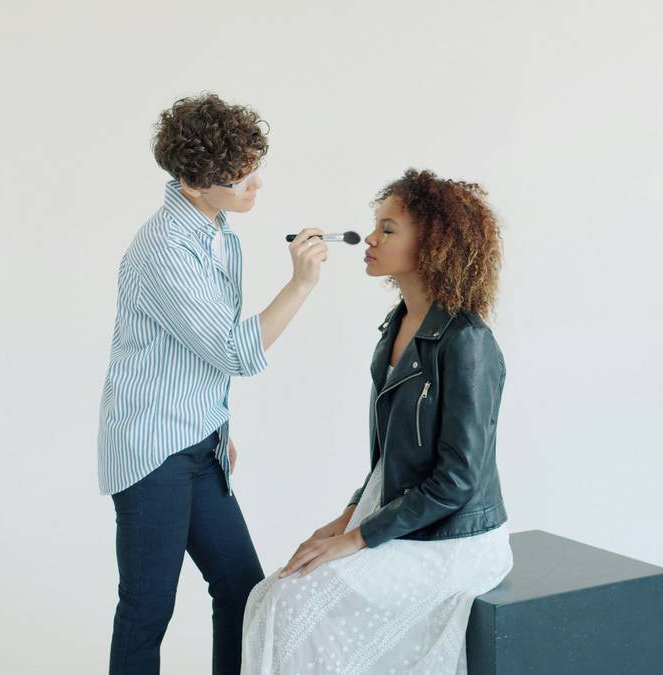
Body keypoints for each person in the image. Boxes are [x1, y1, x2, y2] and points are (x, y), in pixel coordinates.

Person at [241, 169, 512, 674]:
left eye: (388, 229)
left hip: (455, 542)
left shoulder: (467, 342)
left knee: (297, 604)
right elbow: (390, 460)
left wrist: (356, 538)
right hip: (404, 523)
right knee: (274, 594)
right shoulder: (396, 327)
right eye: (375, 226)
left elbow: (457, 480)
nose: (370, 239)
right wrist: (344, 518)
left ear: (432, 244)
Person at [98, 92, 330, 675]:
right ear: (194, 182)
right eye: (240, 175)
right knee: (147, 609)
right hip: (153, 449)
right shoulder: (165, 249)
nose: (256, 183)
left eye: (255, 166)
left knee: (243, 591)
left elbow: (200, 353)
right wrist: (300, 285)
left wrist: (217, 426)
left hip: (198, 441)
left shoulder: (213, 228)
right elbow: (232, 351)